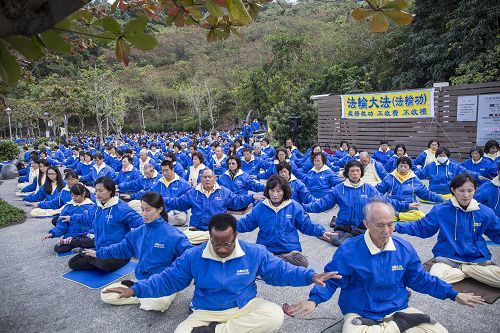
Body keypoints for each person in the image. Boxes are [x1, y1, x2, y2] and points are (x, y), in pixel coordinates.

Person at [102, 213, 340, 333]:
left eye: (227, 243)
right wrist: (135, 289)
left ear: (235, 236)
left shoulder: (254, 252)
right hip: (206, 310)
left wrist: (309, 276)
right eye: (217, 243)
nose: (222, 248)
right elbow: (167, 281)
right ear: (210, 237)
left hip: (244, 306)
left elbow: (279, 270)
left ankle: (217, 332)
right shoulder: (193, 256)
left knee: (274, 315)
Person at [286, 200, 485, 333]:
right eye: (380, 225)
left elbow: (421, 280)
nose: (387, 231)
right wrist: (313, 300)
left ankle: (395, 324)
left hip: (396, 308)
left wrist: (453, 294)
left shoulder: (404, 248)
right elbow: (331, 279)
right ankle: (400, 325)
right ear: (366, 223)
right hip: (361, 313)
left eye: (390, 224)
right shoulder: (349, 249)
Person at [83, 192, 192, 312]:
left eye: (147, 210)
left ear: (160, 209)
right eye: (142, 209)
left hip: (162, 283)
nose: (143, 214)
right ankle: (141, 293)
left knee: (158, 304)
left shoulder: (174, 235)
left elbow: (190, 257)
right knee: (105, 294)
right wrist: (98, 253)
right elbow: (121, 248)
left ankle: (141, 293)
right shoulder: (138, 232)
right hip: (142, 280)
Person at [396, 174, 500, 288]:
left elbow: (496, 232)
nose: (466, 195)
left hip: (477, 258)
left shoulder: (485, 212)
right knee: (436, 278)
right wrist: (396, 227)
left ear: (475, 190)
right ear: (453, 190)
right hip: (448, 257)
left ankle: (464, 269)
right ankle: (475, 272)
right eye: (461, 191)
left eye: (470, 191)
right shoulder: (441, 210)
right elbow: (422, 227)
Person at [304, 160, 415, 246]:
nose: (355, 173)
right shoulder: (338, 189)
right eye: (352, 171)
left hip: (363, 226)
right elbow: (322, 204)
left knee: (370, 241)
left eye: (358, 170)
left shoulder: (369, 189)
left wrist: (406, 205)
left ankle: (334, 235)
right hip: (344, 226)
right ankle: (325, 235)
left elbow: (385, 200)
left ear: (361, 172)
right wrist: (303, 207)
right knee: (343, 243)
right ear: (347, 173)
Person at [237, 175, 332, 267]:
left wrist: (321, 232)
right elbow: (246, 223)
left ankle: (276, 259)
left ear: (284, 191)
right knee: (253, 258)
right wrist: (230, 225)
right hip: (266, 247)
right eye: (272, 190)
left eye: (279, 191)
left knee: (302, 263)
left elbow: (306, 224)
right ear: (267, 191)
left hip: (289, 248)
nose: (275, 194)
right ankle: (276, 260)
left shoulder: (294, 206)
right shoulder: (261, 207)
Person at [60, 177, 143, 272]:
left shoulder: (121, 208)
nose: (97, 194)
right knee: (73, 263)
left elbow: (139, 222)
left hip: (118, 251)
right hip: (100, 248)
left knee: (106, 264)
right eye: (96, 191)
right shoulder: (96, 206)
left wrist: (154, 221)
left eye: (100, 190)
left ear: (110, 191)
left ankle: (89, 255)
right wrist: (71, 218)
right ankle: (94, 256)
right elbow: (86, 218)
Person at [165, 168, 261, 244]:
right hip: (197, 230)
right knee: (179, 240)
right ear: (201, 179)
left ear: (214, 178)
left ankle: (212, 237)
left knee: (222, 238)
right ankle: (210, 237)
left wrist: (252, 197)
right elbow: (178, 203)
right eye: (205, 177)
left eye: (210, 177)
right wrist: (161, 200)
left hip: (219, 228)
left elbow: (237, 202)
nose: (207, 179)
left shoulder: (223, 192)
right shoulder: (193, 193)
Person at [377, 157, 445, 221]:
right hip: (393, 206)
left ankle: (398, 216)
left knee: (420, 215)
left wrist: (442, 199)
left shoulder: (415, 180)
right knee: (380, 214)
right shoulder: (389, 177)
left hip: (409, 208)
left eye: (405, 166)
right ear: (397, 167)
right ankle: (399, 216)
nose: (403, 169)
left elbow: (426, 193)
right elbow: (378, 191)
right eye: (401, 166)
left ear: (410, 168)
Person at [42, 184, 95, 253]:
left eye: (76, 196)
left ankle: (76, 243)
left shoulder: (91, 206)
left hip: (87, 234)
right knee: (58, 248)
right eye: (72, 196)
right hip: (73, 235)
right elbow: (61, 224)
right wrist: (53, 233)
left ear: (83, 194)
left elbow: (95, 223)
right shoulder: (68, 207)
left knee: (97, 240)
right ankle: (78, 244)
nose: (74, 198)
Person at [417, 147, 481, 199]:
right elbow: (420, 174)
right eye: (440, 155)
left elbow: (465, 172)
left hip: (450, 194)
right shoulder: (431, 166)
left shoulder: (454, 166)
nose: (442, 157)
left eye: (444, 155)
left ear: (447, 156)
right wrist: (408, 174)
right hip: (434, 194)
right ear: (436, 156)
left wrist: (477, 175)